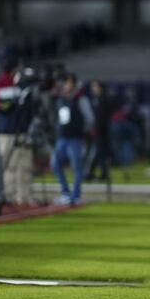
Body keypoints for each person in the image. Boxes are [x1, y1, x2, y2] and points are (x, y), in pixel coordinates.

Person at [0, 66, 41, 206]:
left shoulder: (27, 96)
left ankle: (24, 196)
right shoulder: (8, 92)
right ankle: (10, 195)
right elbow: (0, 107)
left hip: (23, 133)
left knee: (25, 166)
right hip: (9, 133)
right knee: (10, 166)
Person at [50, 72, 93, 205]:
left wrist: (81, 131)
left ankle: (76, 196)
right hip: (62, 138)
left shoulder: (80, 99)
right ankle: (66, 193)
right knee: (55, 165)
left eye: (67, 82)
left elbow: (90, 119)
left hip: (75, 139)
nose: (64, 85)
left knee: (76, 168)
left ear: (73, 84)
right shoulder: (61, 100)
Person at [85, 80, 112, 182]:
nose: (93, 88)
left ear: (100, 87)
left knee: (97, 152)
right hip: (100, 130)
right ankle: (100, 173)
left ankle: (93, 173)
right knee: (99, 153)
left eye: (95, 86)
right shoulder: (96, 99)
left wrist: (96, 129)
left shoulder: (102, 99)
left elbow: (102, 117)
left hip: (101, 131)